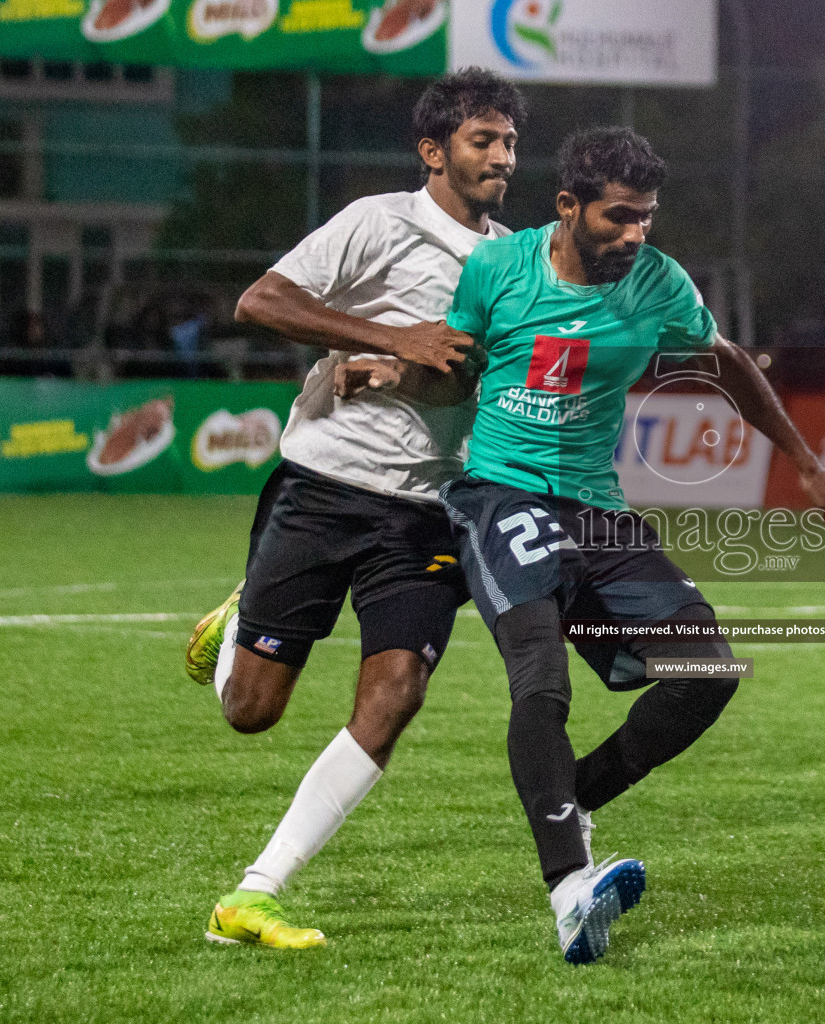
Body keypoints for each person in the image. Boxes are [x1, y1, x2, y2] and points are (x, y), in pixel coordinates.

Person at [338, 126, 825, 965]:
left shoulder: (658, 283)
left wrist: (806, 465)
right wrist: (393, 368)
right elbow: (455, 371)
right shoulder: (499, 271)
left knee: (707, 669)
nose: (635, 235)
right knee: (539, 676)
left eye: (646, 218)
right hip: (500, 492)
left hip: (598, 511)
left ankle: (572, 797)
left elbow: (728, 367)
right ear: (568, 206)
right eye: (618, 218)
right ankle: (571, 889)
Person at [181, 68, 527, 946]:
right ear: (433, 151)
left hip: (423, 514)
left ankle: (255, 892)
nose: (500, 157)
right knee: (251, 712)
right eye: (482, 140)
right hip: (324, 489)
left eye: (510, 142)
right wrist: (387, 338)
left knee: (398, 689)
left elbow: (495, 370)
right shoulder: (380, 222)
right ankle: (238, 622)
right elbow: (261, 299)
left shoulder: (514, 258)